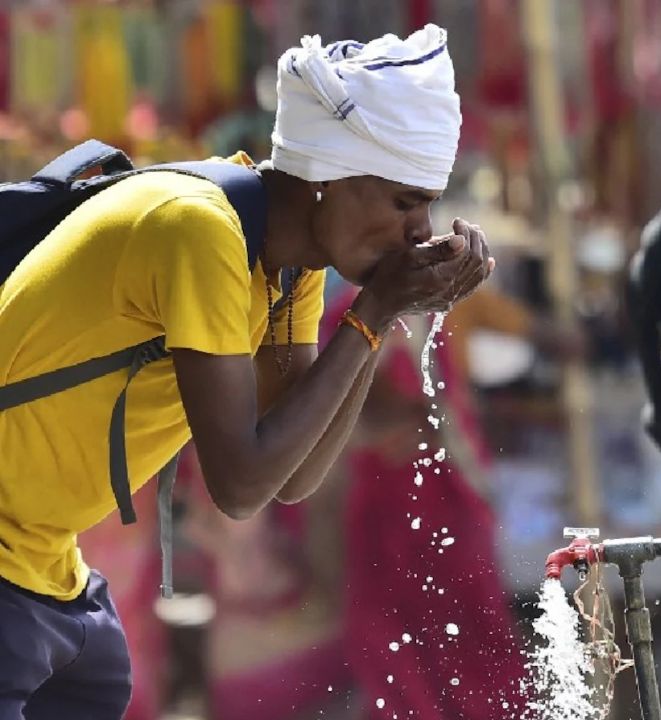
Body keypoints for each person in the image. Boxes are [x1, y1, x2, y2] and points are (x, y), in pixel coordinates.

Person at [0, 25, 494, 720]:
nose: (421, 229)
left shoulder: (288, 264)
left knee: (101, 681)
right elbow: (239, 484)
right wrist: (377, 309)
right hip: (13, 573)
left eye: (428, 205)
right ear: (325, 179)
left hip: (47, 568)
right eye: (404, 201)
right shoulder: (201, 231)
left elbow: (292, 476)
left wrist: (380, 319)